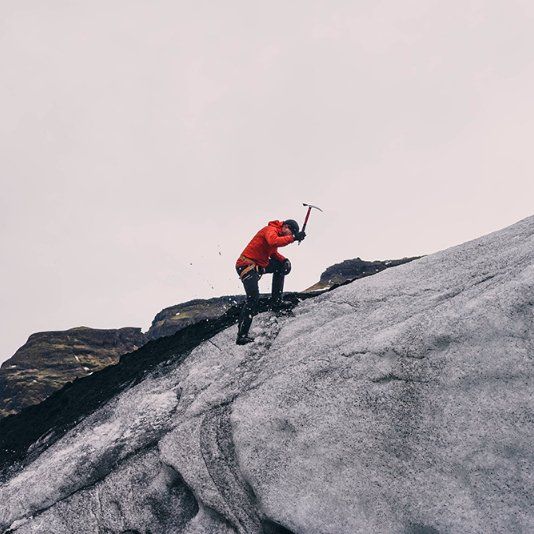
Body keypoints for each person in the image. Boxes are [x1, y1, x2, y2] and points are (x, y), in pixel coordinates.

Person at [235, 219, 306, 345]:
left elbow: (273, 253)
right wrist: (294, 237)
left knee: (280, 266)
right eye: (289, 233)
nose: (289, 236)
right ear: (285, 227)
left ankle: (276, 301)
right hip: (246, 265)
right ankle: (242, 335)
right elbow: (273, 241)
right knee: (253, 297)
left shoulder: (277, 233)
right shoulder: (270, 230)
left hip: (257, 266)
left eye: (291, 235)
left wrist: (285, 260)